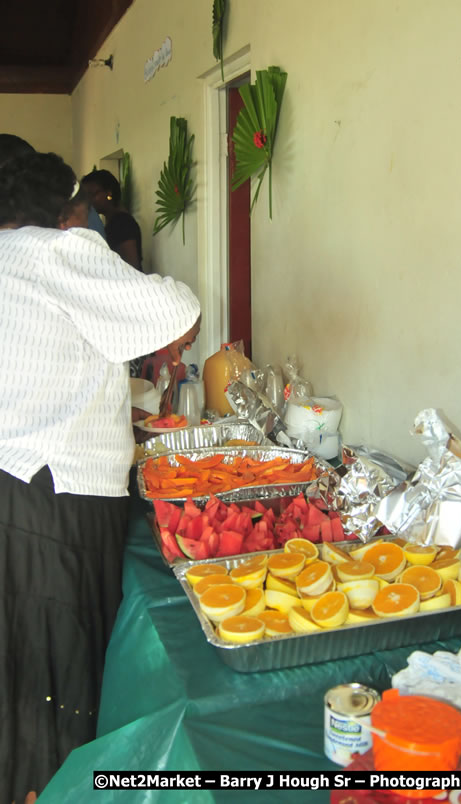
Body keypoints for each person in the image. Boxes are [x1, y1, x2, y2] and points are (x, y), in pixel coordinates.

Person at [0, 151, 201, 803]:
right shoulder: (55, 252)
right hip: (54, 499)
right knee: (57, 674)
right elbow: (180, 312)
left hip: (12, 484)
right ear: (65, 212)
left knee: (18, 667)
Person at [81, 168, 143, 271]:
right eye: (86, 196)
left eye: (92, 194)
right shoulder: (113, 220)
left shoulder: (122, 222)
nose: (89, 200)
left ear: (109, 193)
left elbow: (131, 265)